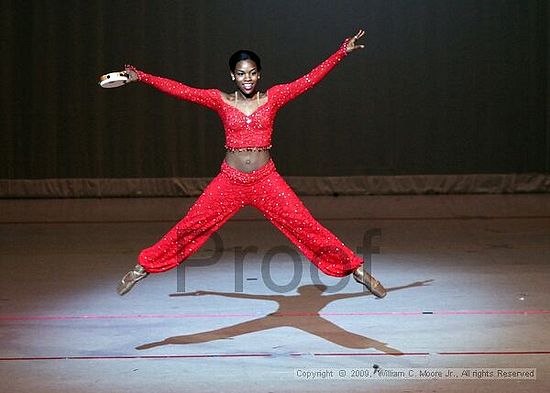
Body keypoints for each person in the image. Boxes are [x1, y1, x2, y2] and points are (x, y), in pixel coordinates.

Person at [117, 29, 386, 298]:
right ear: (232, 76)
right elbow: (182, 90)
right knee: (191, 225)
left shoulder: (274, 97)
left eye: (252, 72)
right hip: (230, 181)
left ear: (259, 74)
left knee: (305, 224)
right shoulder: (220, 100)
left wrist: (340, 53)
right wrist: (142, 77)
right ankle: (143, 268)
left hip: (265, 180)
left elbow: (308, 80)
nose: (248, 78)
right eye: (242, 73)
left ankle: (355, 269)